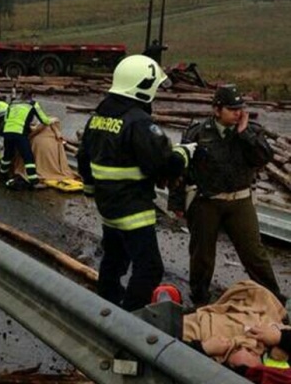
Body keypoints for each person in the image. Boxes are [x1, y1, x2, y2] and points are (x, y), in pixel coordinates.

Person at [77, 54, 195, 311]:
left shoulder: (99, 115)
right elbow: (163, 164)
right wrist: (185, 152)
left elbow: (83, 156)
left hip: (108, 206)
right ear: (143, 85)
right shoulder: (139, 122)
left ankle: (106, 306)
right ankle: (130, 319)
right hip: (133, 209)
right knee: (150, 268)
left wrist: (89, 188)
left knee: (114, 260)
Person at [169, 84, 284, 307]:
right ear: (217, 109)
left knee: (254, 253)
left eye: (240, 108)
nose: (237, 113)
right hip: (206, 201)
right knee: (202, 255)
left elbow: (263, 158)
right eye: (232, 109)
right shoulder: (197, 133)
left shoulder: (251, 132)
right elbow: (181, 169)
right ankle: (200, 299)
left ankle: (274, 299)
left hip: (239, 200)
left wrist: (245, 134)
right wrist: (176, 201)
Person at [0, 87, 53, 189]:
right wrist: (52, 120)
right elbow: (44, 120)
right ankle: (34, 182)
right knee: (28, 157)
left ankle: (1, 175)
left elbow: (6, 119)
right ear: (32, 95)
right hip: (19, 132)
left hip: (7, 131)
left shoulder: (13, 103)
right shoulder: (32, 104)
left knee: (8, 155)